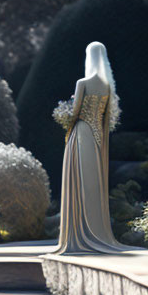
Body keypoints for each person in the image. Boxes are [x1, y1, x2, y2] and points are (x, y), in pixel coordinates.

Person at [53, 42, 124, 254]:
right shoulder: (107, 86)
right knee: (92, 180)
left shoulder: (82, 82)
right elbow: (105, 117)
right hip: (97, 137)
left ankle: (78, 233)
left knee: (77, 179)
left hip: (81, 132)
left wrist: (64, 115)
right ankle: (95, 228)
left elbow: (75, 112)